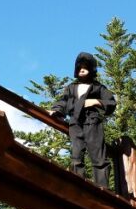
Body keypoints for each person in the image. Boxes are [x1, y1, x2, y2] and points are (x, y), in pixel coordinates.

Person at [50, 52, 116, 188]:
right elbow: (63, 101)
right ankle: (77, 185)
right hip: (75, 122)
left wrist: (96, 101)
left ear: (92, 69)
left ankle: (102, 188)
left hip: (93, 121)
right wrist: (56, 110)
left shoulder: (98, 87)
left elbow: (111, 103)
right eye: (80, 67)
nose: (82, 70)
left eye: (85, 67)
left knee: (98, 156)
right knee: (76, 155)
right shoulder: (71, 88)